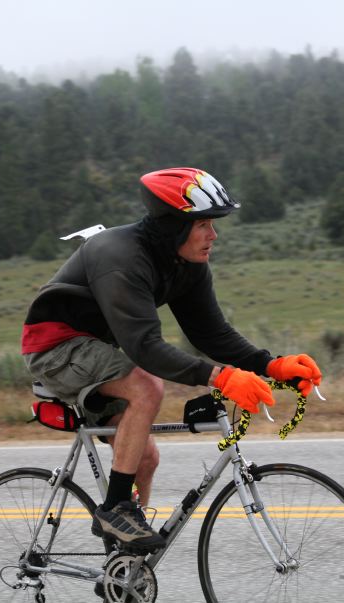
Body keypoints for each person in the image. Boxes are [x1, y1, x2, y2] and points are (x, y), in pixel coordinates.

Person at [21, 167, 322, 552]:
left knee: (144, 458)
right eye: (203, 225)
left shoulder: (186, 264)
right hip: (55, 349)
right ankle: (115, 509)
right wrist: (221, 377)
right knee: (146, 386)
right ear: (173, 226)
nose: (213, 235)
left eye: (214, 224)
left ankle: (124, 564)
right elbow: (144, 347)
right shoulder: (121, 257)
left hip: (97, 352)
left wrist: (271, 365)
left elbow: (210, 333)